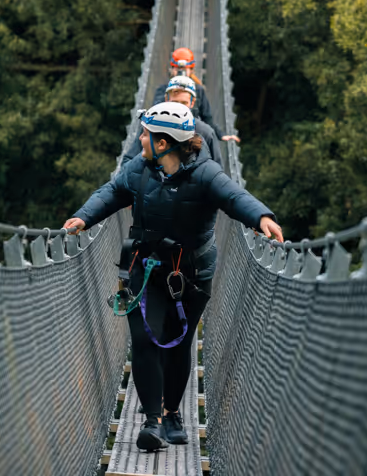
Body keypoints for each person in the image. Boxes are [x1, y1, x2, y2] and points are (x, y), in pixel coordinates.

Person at [63, 102, 283, 451]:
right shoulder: (140, 167)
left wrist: (261, 218)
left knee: (179, 343)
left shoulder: (206, 173)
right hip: (147, 268)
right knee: (146, 339)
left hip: (191, 274)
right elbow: (112, 192)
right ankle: (152, 422)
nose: (141, 139)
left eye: (147, 134)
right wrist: (83, 218)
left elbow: (234, 196)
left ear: (164, 143)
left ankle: (171, 413)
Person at [124, 75, 223, 166]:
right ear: (166, 99)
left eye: (184, 103)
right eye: (175, 102)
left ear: (192, 102)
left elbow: (218, 172)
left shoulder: (206, 133)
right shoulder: (152, 126)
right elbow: (128, 160)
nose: (179, 107)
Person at [154, 48, 241, 145]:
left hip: (191, 136)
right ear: (172, 69)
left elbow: (207, 117)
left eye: (184, 69)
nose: (180, 72)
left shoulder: (198, 90)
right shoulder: (163, 90)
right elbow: (156, 113)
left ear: (191, 70)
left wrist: (220, 134)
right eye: (178, 69)